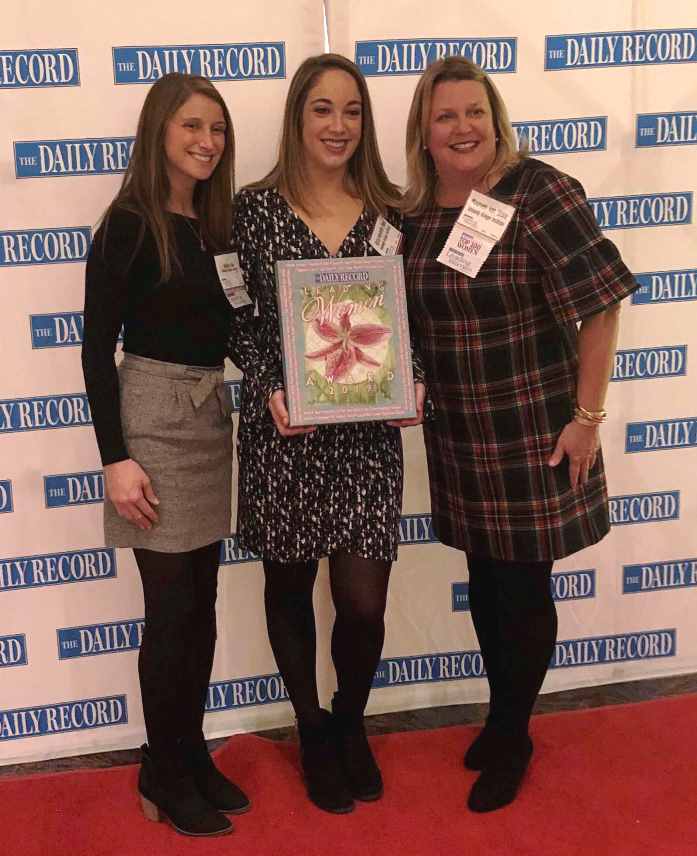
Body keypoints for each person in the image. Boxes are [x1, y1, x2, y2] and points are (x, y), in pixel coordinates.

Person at [402, 57, 638, 813]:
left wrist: (587, 417)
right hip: (458, 435)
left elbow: (601, 304)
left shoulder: (537, 190)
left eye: (474, 112)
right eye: (445, 117)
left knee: (522, 585)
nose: (462, 127)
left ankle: (511, 732)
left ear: (494, 118)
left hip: (533, 428)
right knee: (484, 581)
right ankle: (503, 718)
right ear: (425, 133)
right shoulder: (415, 211)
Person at [231, 53, 425, 815]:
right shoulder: (252, 210)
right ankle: (310, 728)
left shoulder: (391, 215)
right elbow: (240, 316)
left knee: (363, 604)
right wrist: (269, 386)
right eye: (321, 109)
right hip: (285, 433)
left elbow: (413, 323)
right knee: (286, 583)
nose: (337, 125)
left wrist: (414, 384)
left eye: (350, 110)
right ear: (297, 117)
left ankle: (349, 719)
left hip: (367, 437)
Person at [82, 72, 260, 837]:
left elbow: (236, 332)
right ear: (159, 130)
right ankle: (161, 765)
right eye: (192, 126)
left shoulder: (214, 227)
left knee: (205, 604)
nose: (207, 142)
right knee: (171, 610)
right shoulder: (129, 222)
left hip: (207, 418)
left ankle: (190, 752)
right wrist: (114, 459)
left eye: (217, 130)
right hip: (150, 420)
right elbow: (95, 351)